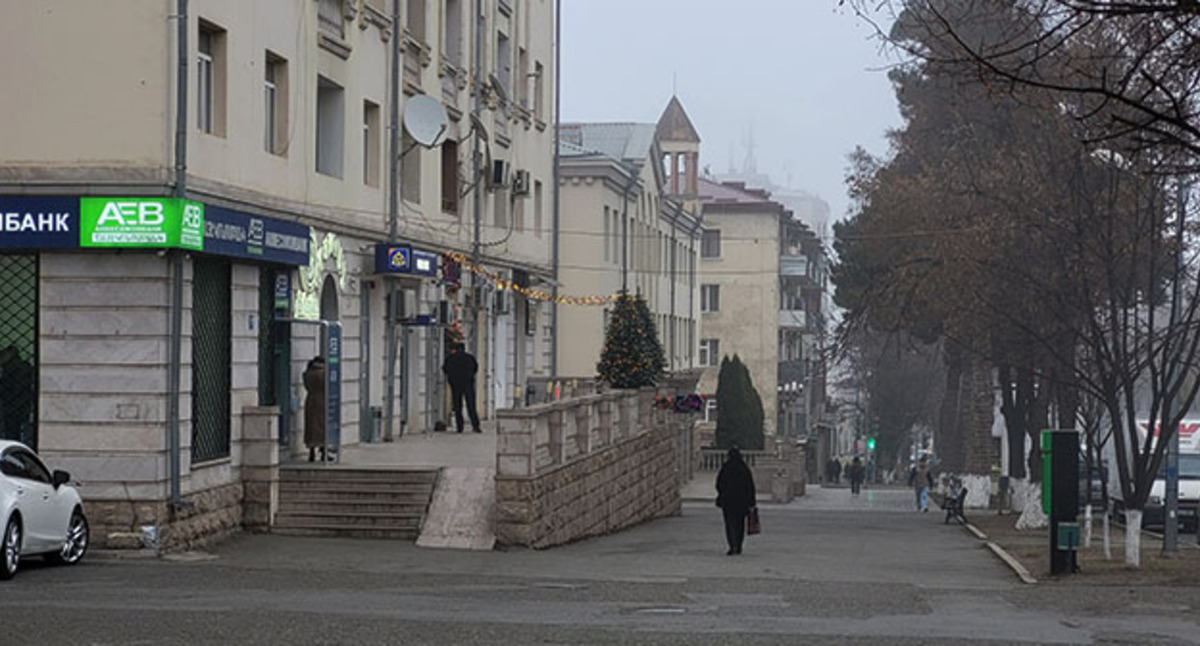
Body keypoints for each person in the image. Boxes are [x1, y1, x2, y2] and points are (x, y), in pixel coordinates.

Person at [715, 447, 757, 555]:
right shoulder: (744, 469)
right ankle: (738, 545)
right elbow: (750, 486)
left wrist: (722, 494)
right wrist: (752, 502)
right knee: (740, 524)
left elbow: (719, 484)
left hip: (728, 501)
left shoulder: (726, 468)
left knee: (730, 524)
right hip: (742, 502)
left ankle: (732, 545)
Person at [443, 342, 481, 433]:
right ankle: (475, 425)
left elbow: (445, 369)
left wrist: (452, 377)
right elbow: (475, 368)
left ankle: (460, 426)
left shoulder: (450, 358)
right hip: (468, 383)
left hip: (456, 384)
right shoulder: (470, 358)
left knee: (457, 406)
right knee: (471, 405)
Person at [0, 346, 33, 443]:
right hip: (22, 404)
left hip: (13, 404)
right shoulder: (22, 367)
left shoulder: (12, 369)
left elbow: (7, 386)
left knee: (12, 430)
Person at [303, 356, 326, 462]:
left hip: (310, 401)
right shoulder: (324, 374)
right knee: (323, 427)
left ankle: (311, 452)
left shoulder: (307, 374)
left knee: (311, 427)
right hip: (323, 401)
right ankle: (323, 453)